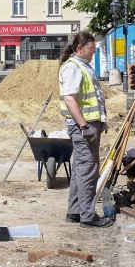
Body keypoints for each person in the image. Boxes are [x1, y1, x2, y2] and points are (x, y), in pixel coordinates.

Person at [59, 31, 112, 228]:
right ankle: (88, 216)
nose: (94, 53)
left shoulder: (81, 65)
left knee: (80, 169)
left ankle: (74, 211)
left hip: (87, 124)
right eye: (91, 49)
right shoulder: (73, 68)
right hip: (84, 126)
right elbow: (69, 98)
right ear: (80, 48)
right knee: (87, 170)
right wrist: (83, 126)